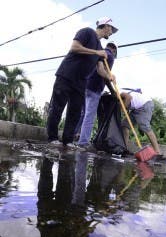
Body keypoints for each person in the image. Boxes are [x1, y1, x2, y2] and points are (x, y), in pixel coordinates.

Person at [47, 17, 118, 148]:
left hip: (81, 82)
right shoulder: (87, 32)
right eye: (111, 29)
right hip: (66, 75)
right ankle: (52, 138)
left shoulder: (100, 49)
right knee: (57, 107)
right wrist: (96, 52)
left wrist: (110, 76)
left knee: (75, 111)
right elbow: (74, 47)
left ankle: (67, 141)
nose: (111, 32)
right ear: (105, 26)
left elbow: (100, 70)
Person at [77, 42, 117, 149]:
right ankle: (83, 142)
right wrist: (112, 91)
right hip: (95, 87)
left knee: (82, 113)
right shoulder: (110, 56)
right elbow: (105, 74)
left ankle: (71, 136)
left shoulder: (98, 53)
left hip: (85, 85)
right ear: (114, 50)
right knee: (89, 116)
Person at [120, 89, 161, 154]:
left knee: (144, 127)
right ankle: (124, 148)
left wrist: (123, 108)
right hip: (136, 108)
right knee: (125, 125)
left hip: (145, 105)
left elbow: (129, 97)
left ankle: (157, 152)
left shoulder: (119, 93)